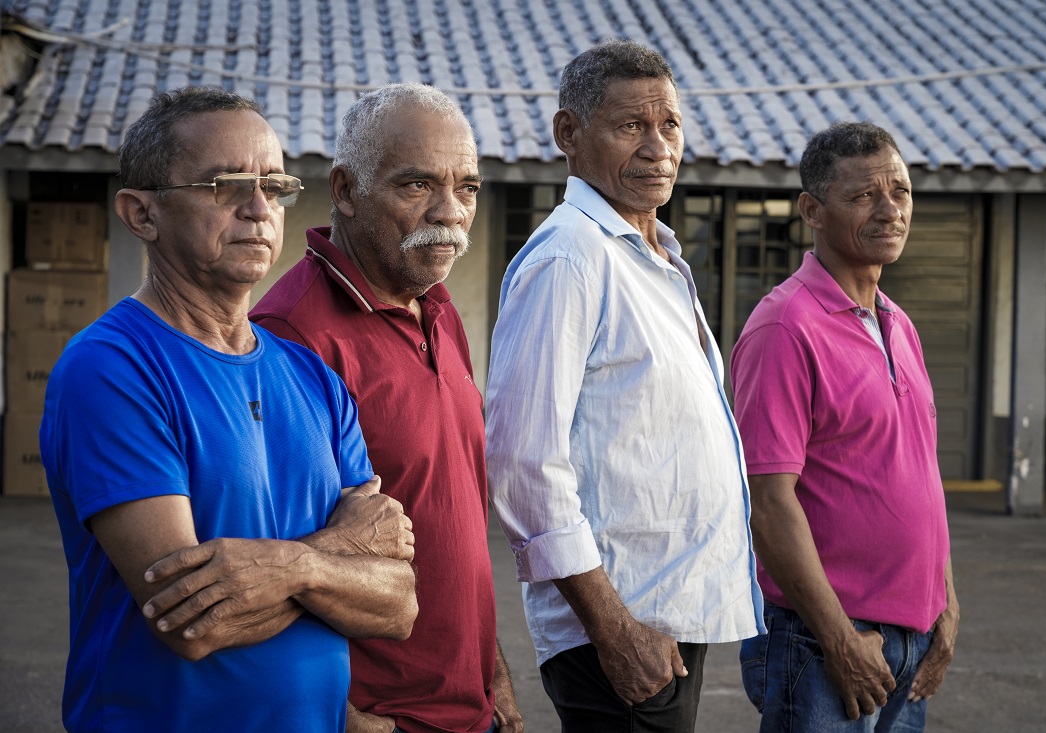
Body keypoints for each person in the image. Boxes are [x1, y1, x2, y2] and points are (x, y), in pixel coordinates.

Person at [39, 87, 418, 733]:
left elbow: (398, 604)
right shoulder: (111, 367)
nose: (258, 208)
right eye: (225, 184)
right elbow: (192, 621)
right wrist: (336, 561)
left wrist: (288, 568)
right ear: (141, 213)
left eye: (274, 185)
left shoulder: (311, 376)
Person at [484, 40, 765, 732]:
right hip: (618, 622)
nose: (657, 147)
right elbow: (524, 462)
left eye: (668, 124)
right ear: (568, 135)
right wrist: (612, 628)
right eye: (630, 126)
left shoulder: (657, 254)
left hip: (667, 611)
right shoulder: (568, 259)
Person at [251, 83, 522, 733]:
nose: (451, 211)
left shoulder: (438, 307)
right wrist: (339, 716)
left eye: (468, 187)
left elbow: (450, 522)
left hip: (469, 705)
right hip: (381, 715)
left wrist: (495, 676)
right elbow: (270, 560)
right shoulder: (293, 336)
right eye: (417, 186)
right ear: (345, 190)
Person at [730, 121, 960, 732]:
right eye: (863, 196)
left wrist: (946, 604)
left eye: (901, 192)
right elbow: (769, 503)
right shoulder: (785, 327)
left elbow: (920, 474)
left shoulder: (898, 323)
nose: (890, 211)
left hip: (912, 637)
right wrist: (838, 639)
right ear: (812, 209)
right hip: (828, 641)